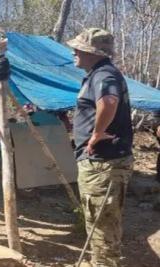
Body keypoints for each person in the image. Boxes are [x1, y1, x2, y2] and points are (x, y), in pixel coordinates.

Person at [67, 28, 133, 266]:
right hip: (101, 163)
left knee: (102, 227)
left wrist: (96, 134)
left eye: (78, 48)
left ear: (92, 51)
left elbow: (109, 100)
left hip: (103, 163)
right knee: (101, 223)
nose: (74, 52)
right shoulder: (99, 73)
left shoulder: (104, 74)